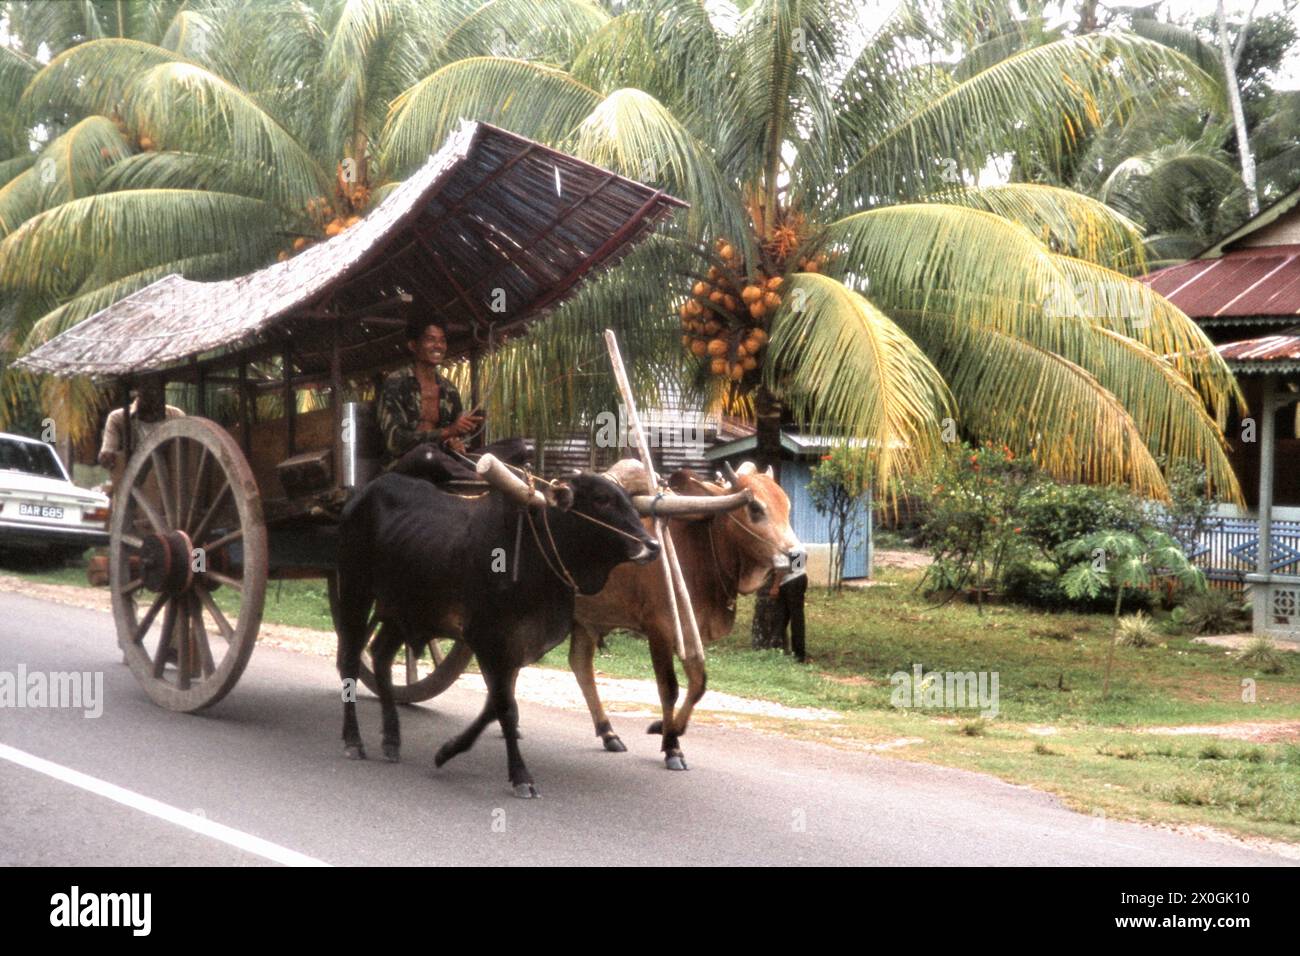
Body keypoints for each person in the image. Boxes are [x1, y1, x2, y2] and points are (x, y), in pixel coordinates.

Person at [377, 317, 527, 483]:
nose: (438, 346)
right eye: (430, 339)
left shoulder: (449, 389)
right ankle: (476, 478)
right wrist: (449, 432)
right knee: (427, 453)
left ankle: (474, 473)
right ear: (413, 345)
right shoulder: (396, 383)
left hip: (445, 459)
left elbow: (454, 435)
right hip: (410, 461)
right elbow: (395, 442)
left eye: (442, 340)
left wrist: (456, 440)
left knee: (518, 446)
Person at [98, 375, 185, 474]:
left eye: (156, 389)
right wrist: (106, 456)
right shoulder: (117, 418)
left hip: (172, 472)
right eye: (147, 389)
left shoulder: (176, 415)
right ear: (138, 391)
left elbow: (188, 447)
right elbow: (108, 451)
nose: (152, 394)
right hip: (135, 478)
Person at [753, 564, 809, 662]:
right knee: (794, 618)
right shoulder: (798, 548)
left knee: (786, 618)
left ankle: (781, 649)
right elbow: (798, 567)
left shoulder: (781, 548)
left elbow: (782, 568)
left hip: (789, 582)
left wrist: (775, 586)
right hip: (800, 578)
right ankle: (798, 653)